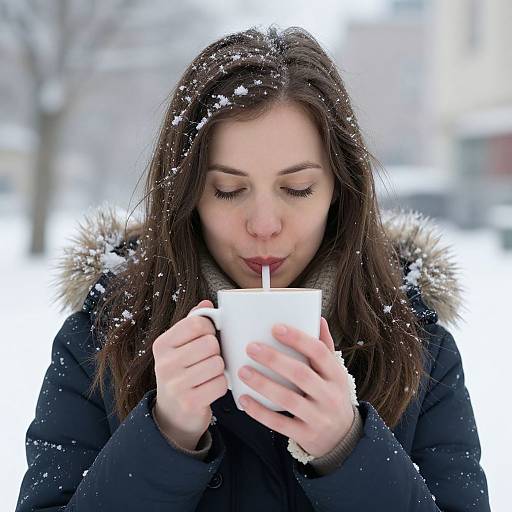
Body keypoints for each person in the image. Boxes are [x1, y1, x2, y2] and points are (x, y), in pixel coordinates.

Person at [15, 25, 491, 511]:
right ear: (186, 195)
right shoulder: (99, 344)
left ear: (341, 193)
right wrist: (165, 436)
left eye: (298, 188)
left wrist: (348, 450)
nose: (264, 226)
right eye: (228, 189)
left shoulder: (417, 351)